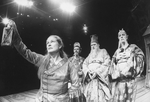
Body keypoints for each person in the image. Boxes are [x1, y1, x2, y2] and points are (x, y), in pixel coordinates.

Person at [0, 20, 82, 102]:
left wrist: (66, 97)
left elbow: (76, 85)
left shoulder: (69, 64)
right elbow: (25, 52)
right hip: (42, 99)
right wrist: (15, 34)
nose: (49, 44)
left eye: (52, 42)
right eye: (47, 43)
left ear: (60, 45)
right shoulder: (42, 60)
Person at [109, 29, 145, 102]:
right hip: (119, 83)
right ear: (118, 38)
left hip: (129, 82)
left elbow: (141, 56)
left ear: (127, 36)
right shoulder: (117, 51)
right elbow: (112, 65)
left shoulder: (133, 47)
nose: (121, 37)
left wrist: (131, 55)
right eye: (119, 35)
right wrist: (115, 59)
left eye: (123, 35)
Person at [82, 34, 111, 102]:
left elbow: (107, 62)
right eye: (91, 45)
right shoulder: (89, 55)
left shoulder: (103, 51)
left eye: (94, 44)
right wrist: (88, 72)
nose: (93, 46)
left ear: (98, 45)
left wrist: (97, 72)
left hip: (100, 80)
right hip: (91, 81)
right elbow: (84, 64)